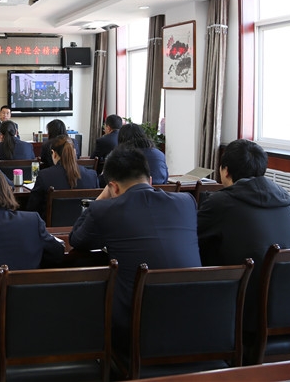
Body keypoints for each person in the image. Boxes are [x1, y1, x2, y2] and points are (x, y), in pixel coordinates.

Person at [69, 147, 200, 352]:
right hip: (196, 320)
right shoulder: (186, 202)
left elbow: (77, 239)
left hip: (136, 327)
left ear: (113, 187)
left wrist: (101, 198)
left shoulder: (105, 209)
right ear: (150, 180)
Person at [197, 139, 290, 331]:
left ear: (225, 171)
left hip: (239, 303)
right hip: (286, 302)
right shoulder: (285, 197)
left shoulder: (221, 202)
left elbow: (192, 237)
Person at [27, 136, 100, 217]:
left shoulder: (44, 176)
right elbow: (97, 206)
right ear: (74, 152)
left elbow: (32, 209)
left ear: (54, 154)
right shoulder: (92, 176)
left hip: (51, 225)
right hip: (83, 224)